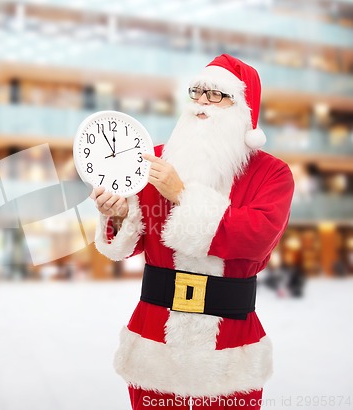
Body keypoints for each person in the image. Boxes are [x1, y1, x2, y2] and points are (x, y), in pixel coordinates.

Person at [91, 54, 294, 409]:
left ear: (244, 109)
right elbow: (127, 245)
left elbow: (256, 238)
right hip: (155, 343)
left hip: (229, 350)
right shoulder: (154, 162)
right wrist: (119, 215)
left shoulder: (272, 174)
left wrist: (182, 194)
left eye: (217, 95)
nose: (202, 101)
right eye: (197, 91)